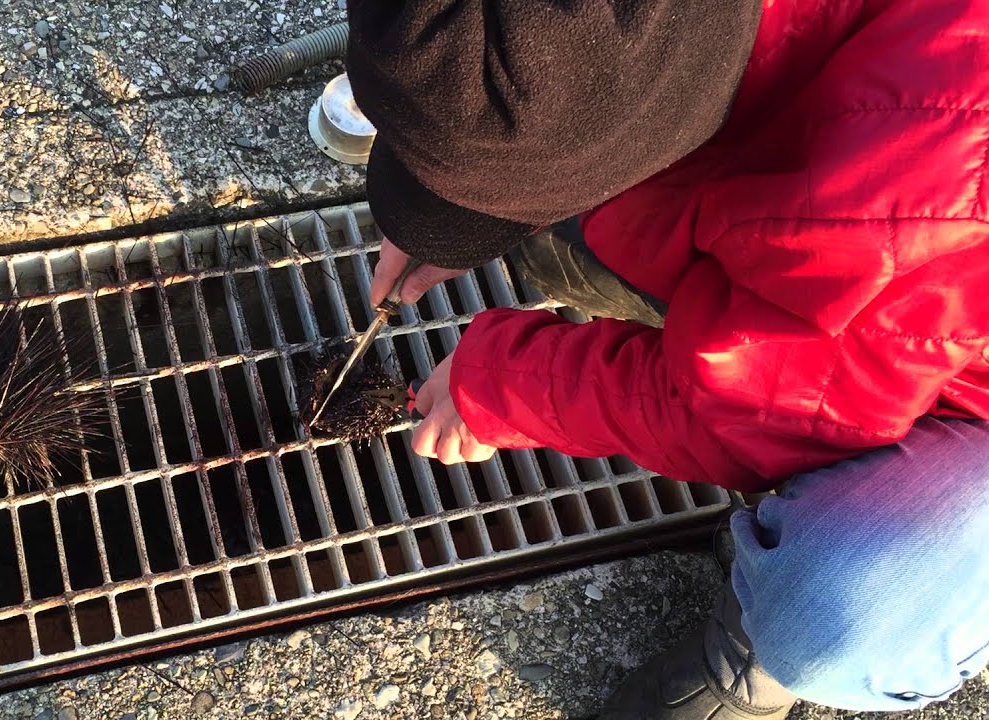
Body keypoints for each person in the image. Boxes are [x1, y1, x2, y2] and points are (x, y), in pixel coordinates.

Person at [343, 1, 989, 718]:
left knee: (840, 612)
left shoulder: (887, 218)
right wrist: (441, 193)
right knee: (563, 231)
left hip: (929, 347)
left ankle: (760, 665)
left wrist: (502, 384)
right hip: (887, 266)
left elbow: (759, 414)